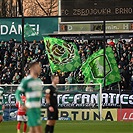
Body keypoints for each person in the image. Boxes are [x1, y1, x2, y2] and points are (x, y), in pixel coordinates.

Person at [15, 61, 43, 133]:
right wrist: (22, 104)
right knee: (38, 130)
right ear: (32, 68)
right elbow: (17, 93)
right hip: (31, 108)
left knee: (33, 130)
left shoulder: (38, 81)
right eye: (38, 67)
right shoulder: (26, 80)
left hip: (37, 108)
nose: (40, 68)